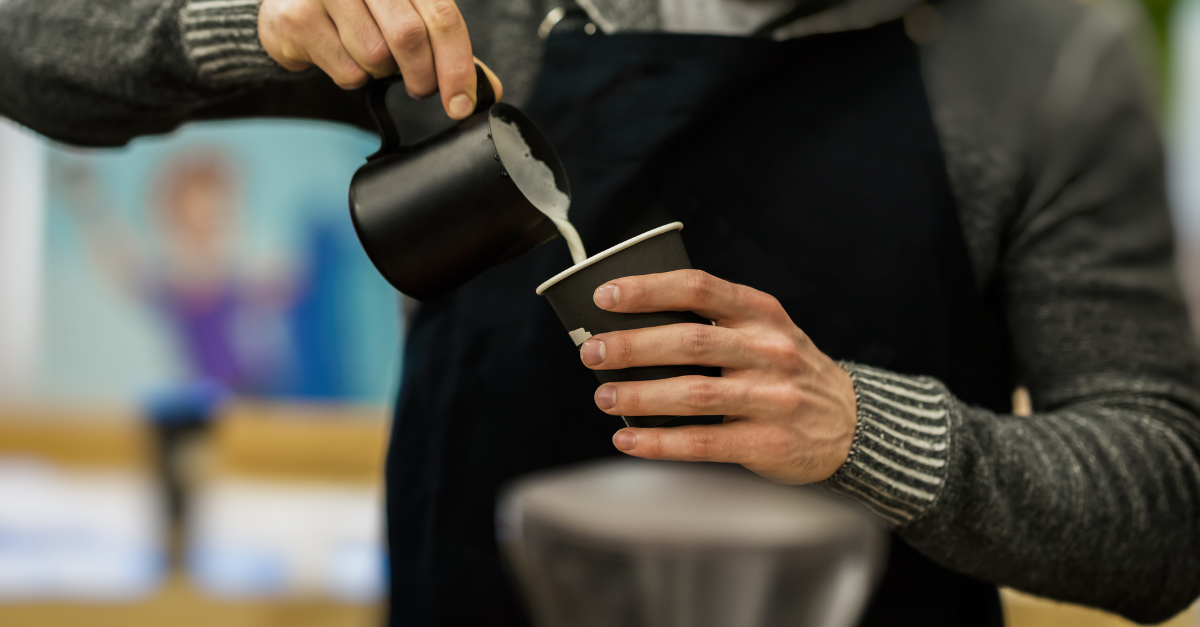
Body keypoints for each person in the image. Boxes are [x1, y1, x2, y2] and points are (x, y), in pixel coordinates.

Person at [3, 0, 1199, 625]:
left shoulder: (1045, 62)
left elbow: (1164, 514)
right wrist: (249, 19)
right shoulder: (481, 11)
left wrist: (861, 429)